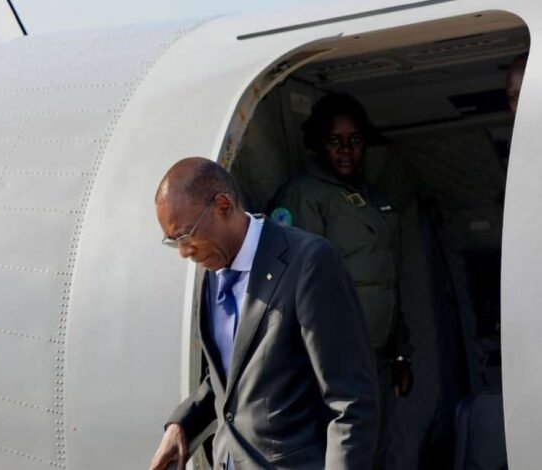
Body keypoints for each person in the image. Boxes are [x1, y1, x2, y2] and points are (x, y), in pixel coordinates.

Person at [149, 157, 377, 470]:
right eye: (173, 241)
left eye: (186, 235)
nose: (184, 252)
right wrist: (182, 426)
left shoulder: (308, 263)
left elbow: (351, 403)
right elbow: (230, 378)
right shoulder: (210, 271)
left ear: (223, 206)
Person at [267, 94, 413, 468]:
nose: (347, 150)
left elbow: (385, 278)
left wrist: (400, 353)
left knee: (376, 453)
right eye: (336, 141)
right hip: (333, 367)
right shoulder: (303, 196)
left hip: (375, 360)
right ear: (318, 143)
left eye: (355, 140)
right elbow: (296, 289)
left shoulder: (370, 197)